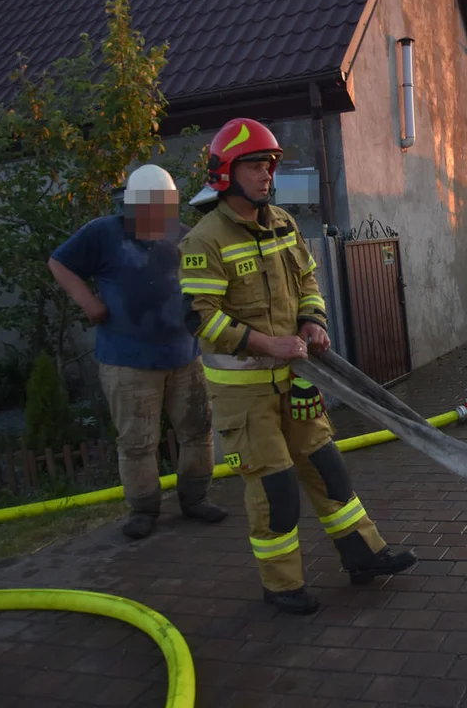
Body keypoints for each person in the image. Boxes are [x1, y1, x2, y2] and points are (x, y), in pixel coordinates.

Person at [178, 117, 416, 615]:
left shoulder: (284, 224)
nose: (266, 174)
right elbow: (200, 319)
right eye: (254, 165)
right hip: (244, 395)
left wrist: (312, 322)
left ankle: (364, 555)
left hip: (297, 379)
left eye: (269, 164)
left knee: (328, 469)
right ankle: (281, 585)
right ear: (225, 173)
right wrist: (267, 343)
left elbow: (308, 281)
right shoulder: (204, 239)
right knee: (276, 487)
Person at [48, 164, 226, 540]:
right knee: (137, 441)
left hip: (184, 355)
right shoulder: (102, 233)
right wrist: (88, 302)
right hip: (127, 361)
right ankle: (144, 510)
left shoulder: (181, 236)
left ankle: (195, 499)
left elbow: (209, 278)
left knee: (198, 430)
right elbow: (58, 262)